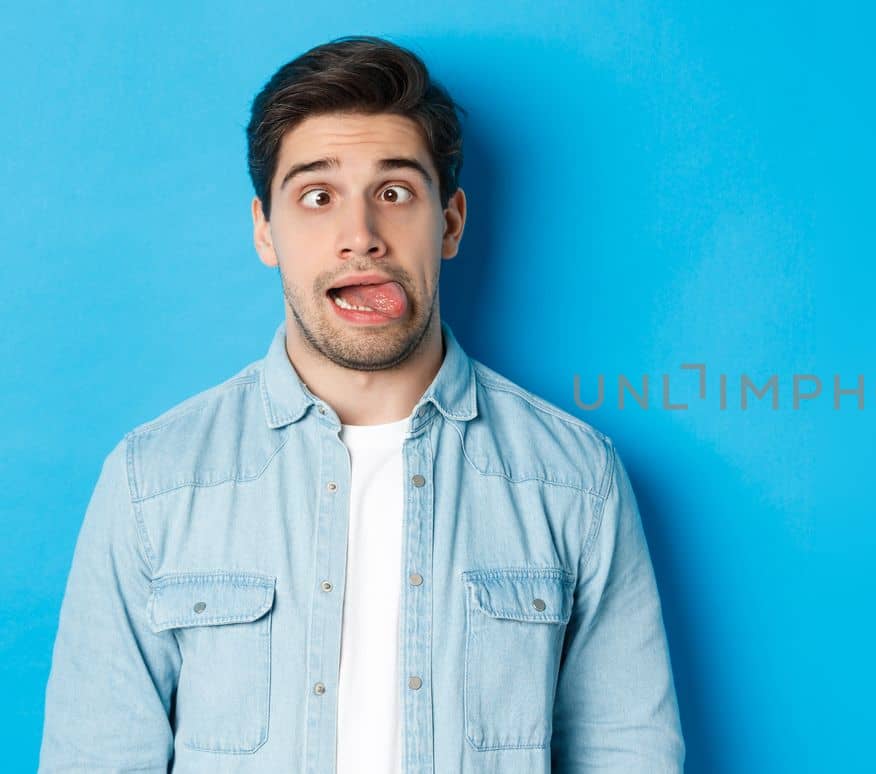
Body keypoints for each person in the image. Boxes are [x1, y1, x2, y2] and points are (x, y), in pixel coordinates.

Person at [38, 35, 685, 773]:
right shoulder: (152, 483)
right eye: (317, 196)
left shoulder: (576, 481)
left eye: (395, 193)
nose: (360, 238)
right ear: (264, 231)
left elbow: (627, 753)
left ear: (450, 222)